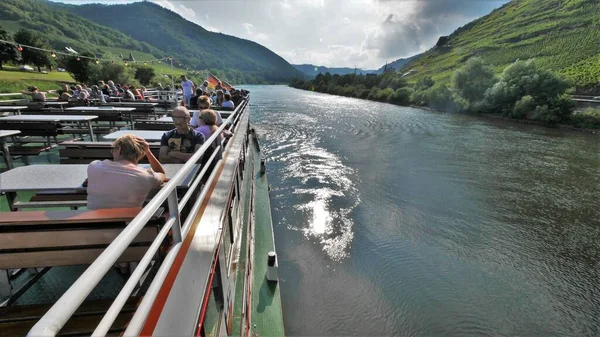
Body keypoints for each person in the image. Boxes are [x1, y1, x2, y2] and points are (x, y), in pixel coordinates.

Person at [86, 134, 166, 210]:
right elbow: (161, 173)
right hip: (131, 223)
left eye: (113, 149)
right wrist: (148, 152)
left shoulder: (94, 167)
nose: (112, 152)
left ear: (120, 149)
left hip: (92, 222)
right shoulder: (147, 176)